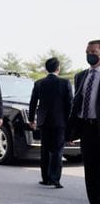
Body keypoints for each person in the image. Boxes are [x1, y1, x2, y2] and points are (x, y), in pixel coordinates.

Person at [69, 40, 100, 204]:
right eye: (88, 51)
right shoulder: (81, 76)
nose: (90, 54)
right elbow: (76, 104)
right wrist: (71, 132)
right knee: (91, 171)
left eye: (94, 51)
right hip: (87, 129)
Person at [28, 58, 72, 189]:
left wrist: (31, 119)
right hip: (60, 122)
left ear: (46, 69)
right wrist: (70, 122)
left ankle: (45, 178)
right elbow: (69, 104)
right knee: (58, 151)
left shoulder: (39, 83)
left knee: (45, 150)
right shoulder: (65, 83)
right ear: (58, 68)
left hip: (44, 121)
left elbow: (33, 102)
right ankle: (55, 180)